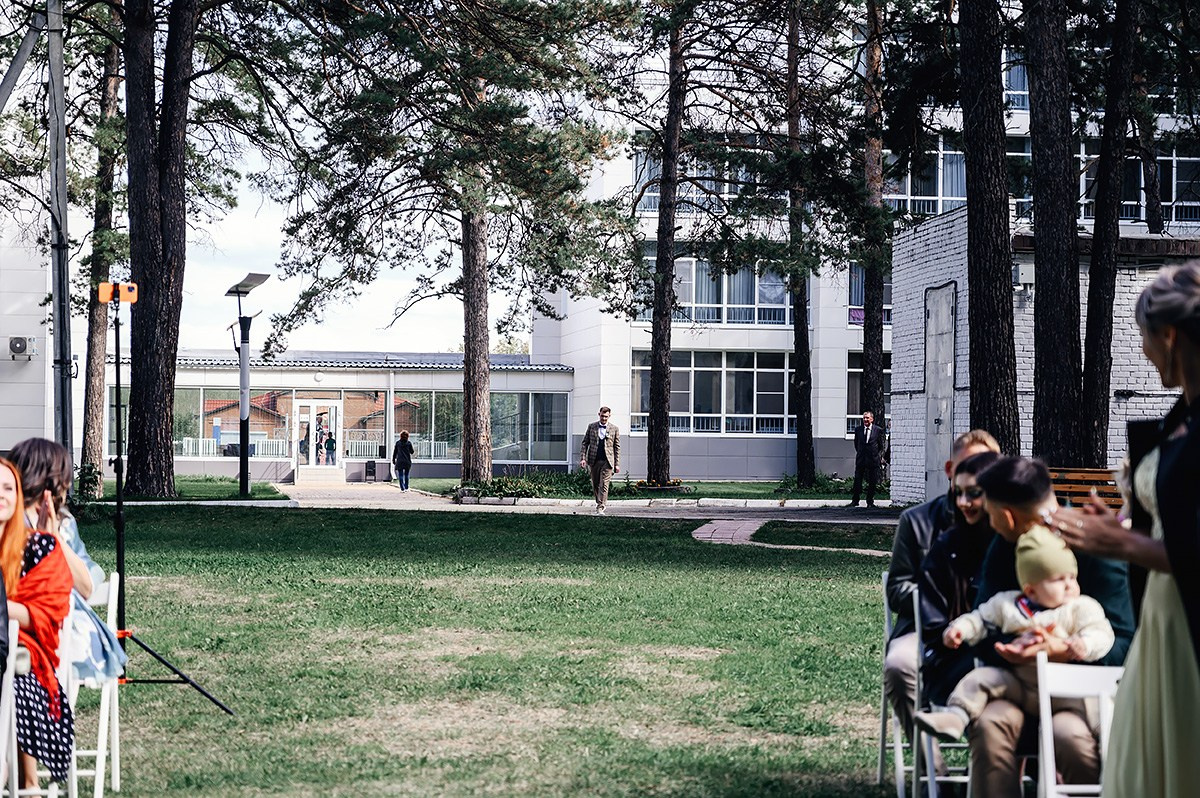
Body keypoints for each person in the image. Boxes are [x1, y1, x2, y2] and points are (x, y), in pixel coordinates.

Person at [1052, 262, 1200, 797]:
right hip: (1158, 617)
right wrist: (1120, 524)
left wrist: (1126, 543)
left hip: (1189, 622)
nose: (1142, 350)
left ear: (1169, 335)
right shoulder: (1179, 417)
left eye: (1144, 336)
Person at [969, 456, 1134, 798]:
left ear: (1008, 516)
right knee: (990, 725)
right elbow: (983, 624)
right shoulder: (1003, 548)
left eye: (991, 514)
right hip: (1015, 688)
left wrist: (1067, 651)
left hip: (1080, 697)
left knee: (1070, 737)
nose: (992, 524)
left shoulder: (1094, 546)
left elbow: (1124, 642)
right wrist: (1014, 649)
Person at [914, 526, 1115, 742]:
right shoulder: (1008, 605)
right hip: (1018, 683)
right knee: (980, 678)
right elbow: (980, 618)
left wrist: (1085, 644)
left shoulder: (1080, 607)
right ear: (1031, 590)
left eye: (1072, 577)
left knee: (1093, 700)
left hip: (1064, 686)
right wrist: (959, 630)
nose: (1069, 586)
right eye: (1058, 579)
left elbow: (1102, 631)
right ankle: (956, 716)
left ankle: (1109, 737)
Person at [884, 429, 1000, 749]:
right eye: (967, 467)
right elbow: (897, 589)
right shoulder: (918, 521)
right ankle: (930, 765)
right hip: (924, 627)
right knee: (899, 665)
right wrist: (938, 600)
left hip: (991, 627)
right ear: (950, 470)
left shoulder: (1006, 524)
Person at [9, 438, 127, 688]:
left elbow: (86, 586)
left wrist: (54, 540)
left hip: (54, 629)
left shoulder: (64, 523)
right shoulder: (8, 518)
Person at [0, 457, 74, 789]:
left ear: (18, 495)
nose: (1, 495)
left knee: (16, 683)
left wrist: (4, 609)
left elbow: (48, 612)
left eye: (8, 488)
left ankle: (28, 785)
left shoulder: (39, 545)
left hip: (26, 656)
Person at [916, 449, 1002, 707]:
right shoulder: (946, 546)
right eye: (959, 493)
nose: (964, 502)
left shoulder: (1015, 544)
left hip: (1010, 660)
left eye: (973, 493)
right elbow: (933, 626)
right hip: (953, 660)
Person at [579, 406, 620, 515]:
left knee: (604, 484)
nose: (604, 418)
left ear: (609, 416)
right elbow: (585, 443)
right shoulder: (591, 427)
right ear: (599, 414)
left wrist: (617, 464)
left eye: (606, 416)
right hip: (594, 460)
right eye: (602, 416)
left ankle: (601, 507)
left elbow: (617, 447)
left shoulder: (614, 429)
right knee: (596, 484)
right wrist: (583, 458)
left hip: (608, 461)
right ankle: (599, 502)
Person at [849, 411, 885, 507]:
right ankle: (855, 500)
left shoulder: (878, 430)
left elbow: (880, 446)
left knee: (872, 481)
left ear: (872, 419)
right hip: (861, 459)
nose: (865, 420)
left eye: (867, 418)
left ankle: (870, 502)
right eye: (864, 418)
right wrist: (861, 453)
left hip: (873, 459)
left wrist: (876, 455)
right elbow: (856, 444)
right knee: (857, 480)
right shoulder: (858, 430)